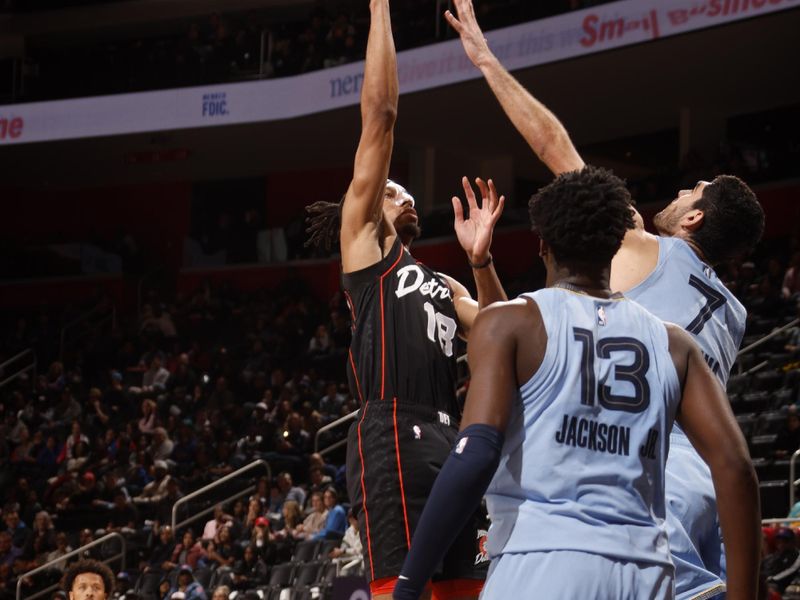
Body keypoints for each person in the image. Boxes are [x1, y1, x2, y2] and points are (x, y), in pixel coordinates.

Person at [442, 2, 765, 597]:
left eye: (690, 190)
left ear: (694, 218)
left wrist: (487, 60)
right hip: (704, 496)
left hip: (636, 485)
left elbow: (552, 146)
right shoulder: (735, 314)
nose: (678, 188)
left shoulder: (644, 246)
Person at [393, 166, 760, 599]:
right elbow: (735, 468)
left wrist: (408, 583)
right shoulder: (674, 343)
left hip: (542, 564)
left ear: (543, 244)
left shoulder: (514, 323)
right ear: (615, 247)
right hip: (645, 572)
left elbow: (474, 454)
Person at [303, 1, 505, 597]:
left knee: (465, 594)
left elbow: (501, 333)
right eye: (387, 188)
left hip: (455, 440)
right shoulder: (366, 253)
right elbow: (382, 115)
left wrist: (482, 260)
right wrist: (381, 9)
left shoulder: (445, 285)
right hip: (392, 431)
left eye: (402, 188)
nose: (399, 191)